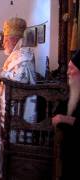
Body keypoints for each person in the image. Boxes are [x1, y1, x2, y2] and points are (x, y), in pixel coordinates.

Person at [0, 17, 36, 173]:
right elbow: (9, 75)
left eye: (5, 40)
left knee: (8, 142)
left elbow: (22, 80)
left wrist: (2, 74)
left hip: (16, 111)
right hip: (4, 108)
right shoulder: (15, 56)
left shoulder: (23, 57)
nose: (3, 43)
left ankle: (8, 171)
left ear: (13, 39)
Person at [52, 49, 80, 180]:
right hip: (69, 151)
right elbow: (60, 110)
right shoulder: (74, 89)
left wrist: (66, 119)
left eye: (71, 69)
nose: (68, 72)